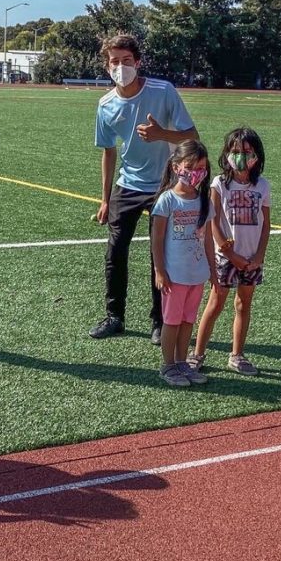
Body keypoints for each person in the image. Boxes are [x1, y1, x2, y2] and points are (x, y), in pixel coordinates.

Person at [90, 34, 199, 344]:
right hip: (127, 185)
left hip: (164, 185)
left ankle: (159, 320)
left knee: (160, 253)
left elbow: (192, 136)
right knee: (115, 250)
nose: (121, 67)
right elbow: (108, 152)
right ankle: (115, 316)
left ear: (137, 62)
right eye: (115, 62)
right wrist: (104, 198)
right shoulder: (105, 105)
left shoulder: (163, 91)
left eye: (127, 61)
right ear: (106, 66)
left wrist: (161, 134)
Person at [189, 127, 271, 375]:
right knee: (215, 303)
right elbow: (213, 220)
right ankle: (197, 354)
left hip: (251, 258)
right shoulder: (220, 184)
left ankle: (237, 355)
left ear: (257, 155)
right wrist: (227, 250)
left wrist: (258, 256)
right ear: (226, 154)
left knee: (244, 304)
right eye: (235, 151)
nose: (241, 156)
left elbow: (266, 224)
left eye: (247, 151)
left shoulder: (263, 186)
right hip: (225, 257)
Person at [151, 139, 216, 387]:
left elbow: (208, 240)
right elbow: (156, 239)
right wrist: (160, 270)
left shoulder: (203, 201)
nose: (196, 173)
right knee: (172, 321)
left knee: (188, 320)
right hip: (174, 276)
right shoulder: (167, 200)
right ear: (177, 166)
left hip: (196, 274)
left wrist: (212, 270)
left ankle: (181, 362)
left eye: (201, 167)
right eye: (191, 166)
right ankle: (168, 365)